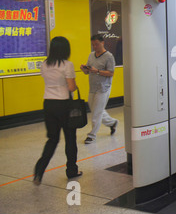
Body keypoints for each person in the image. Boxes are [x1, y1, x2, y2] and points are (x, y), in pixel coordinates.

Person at [34, 36, 82, 185]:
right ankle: (71, 171)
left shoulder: (44, 64)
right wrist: (76, 86)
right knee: (70, 139)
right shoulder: (67, 65)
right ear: (65, 49)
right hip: (64, 105)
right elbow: (71, 87)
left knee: (52, 139)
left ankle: (39, 171)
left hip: (48, 104)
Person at [81, 34, 118, 144]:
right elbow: (88, 71)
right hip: (93, 87)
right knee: (96, 110)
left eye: (97, 44)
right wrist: (85, 69)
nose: (95, 47)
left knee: (96, 112)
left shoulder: (109, 56)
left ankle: (92, 135)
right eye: (93, 45)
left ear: (102, 43)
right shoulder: (91, 55)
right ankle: (112, 123)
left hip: (103, 88)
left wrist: (97, 71)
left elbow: (111, 73)